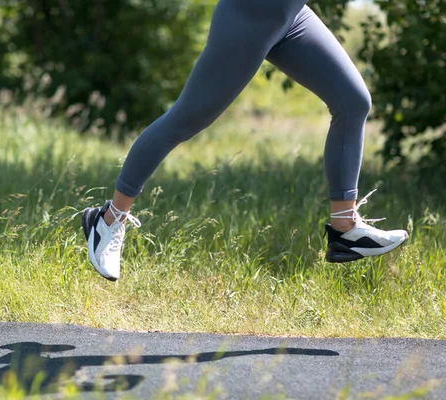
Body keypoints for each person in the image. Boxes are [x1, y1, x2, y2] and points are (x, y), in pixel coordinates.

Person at [81, 0, 408, 281]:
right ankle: (107, 221)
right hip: (249, 14)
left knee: (353, 101)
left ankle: (345, 229)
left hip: (290, 15)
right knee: (186, 119)